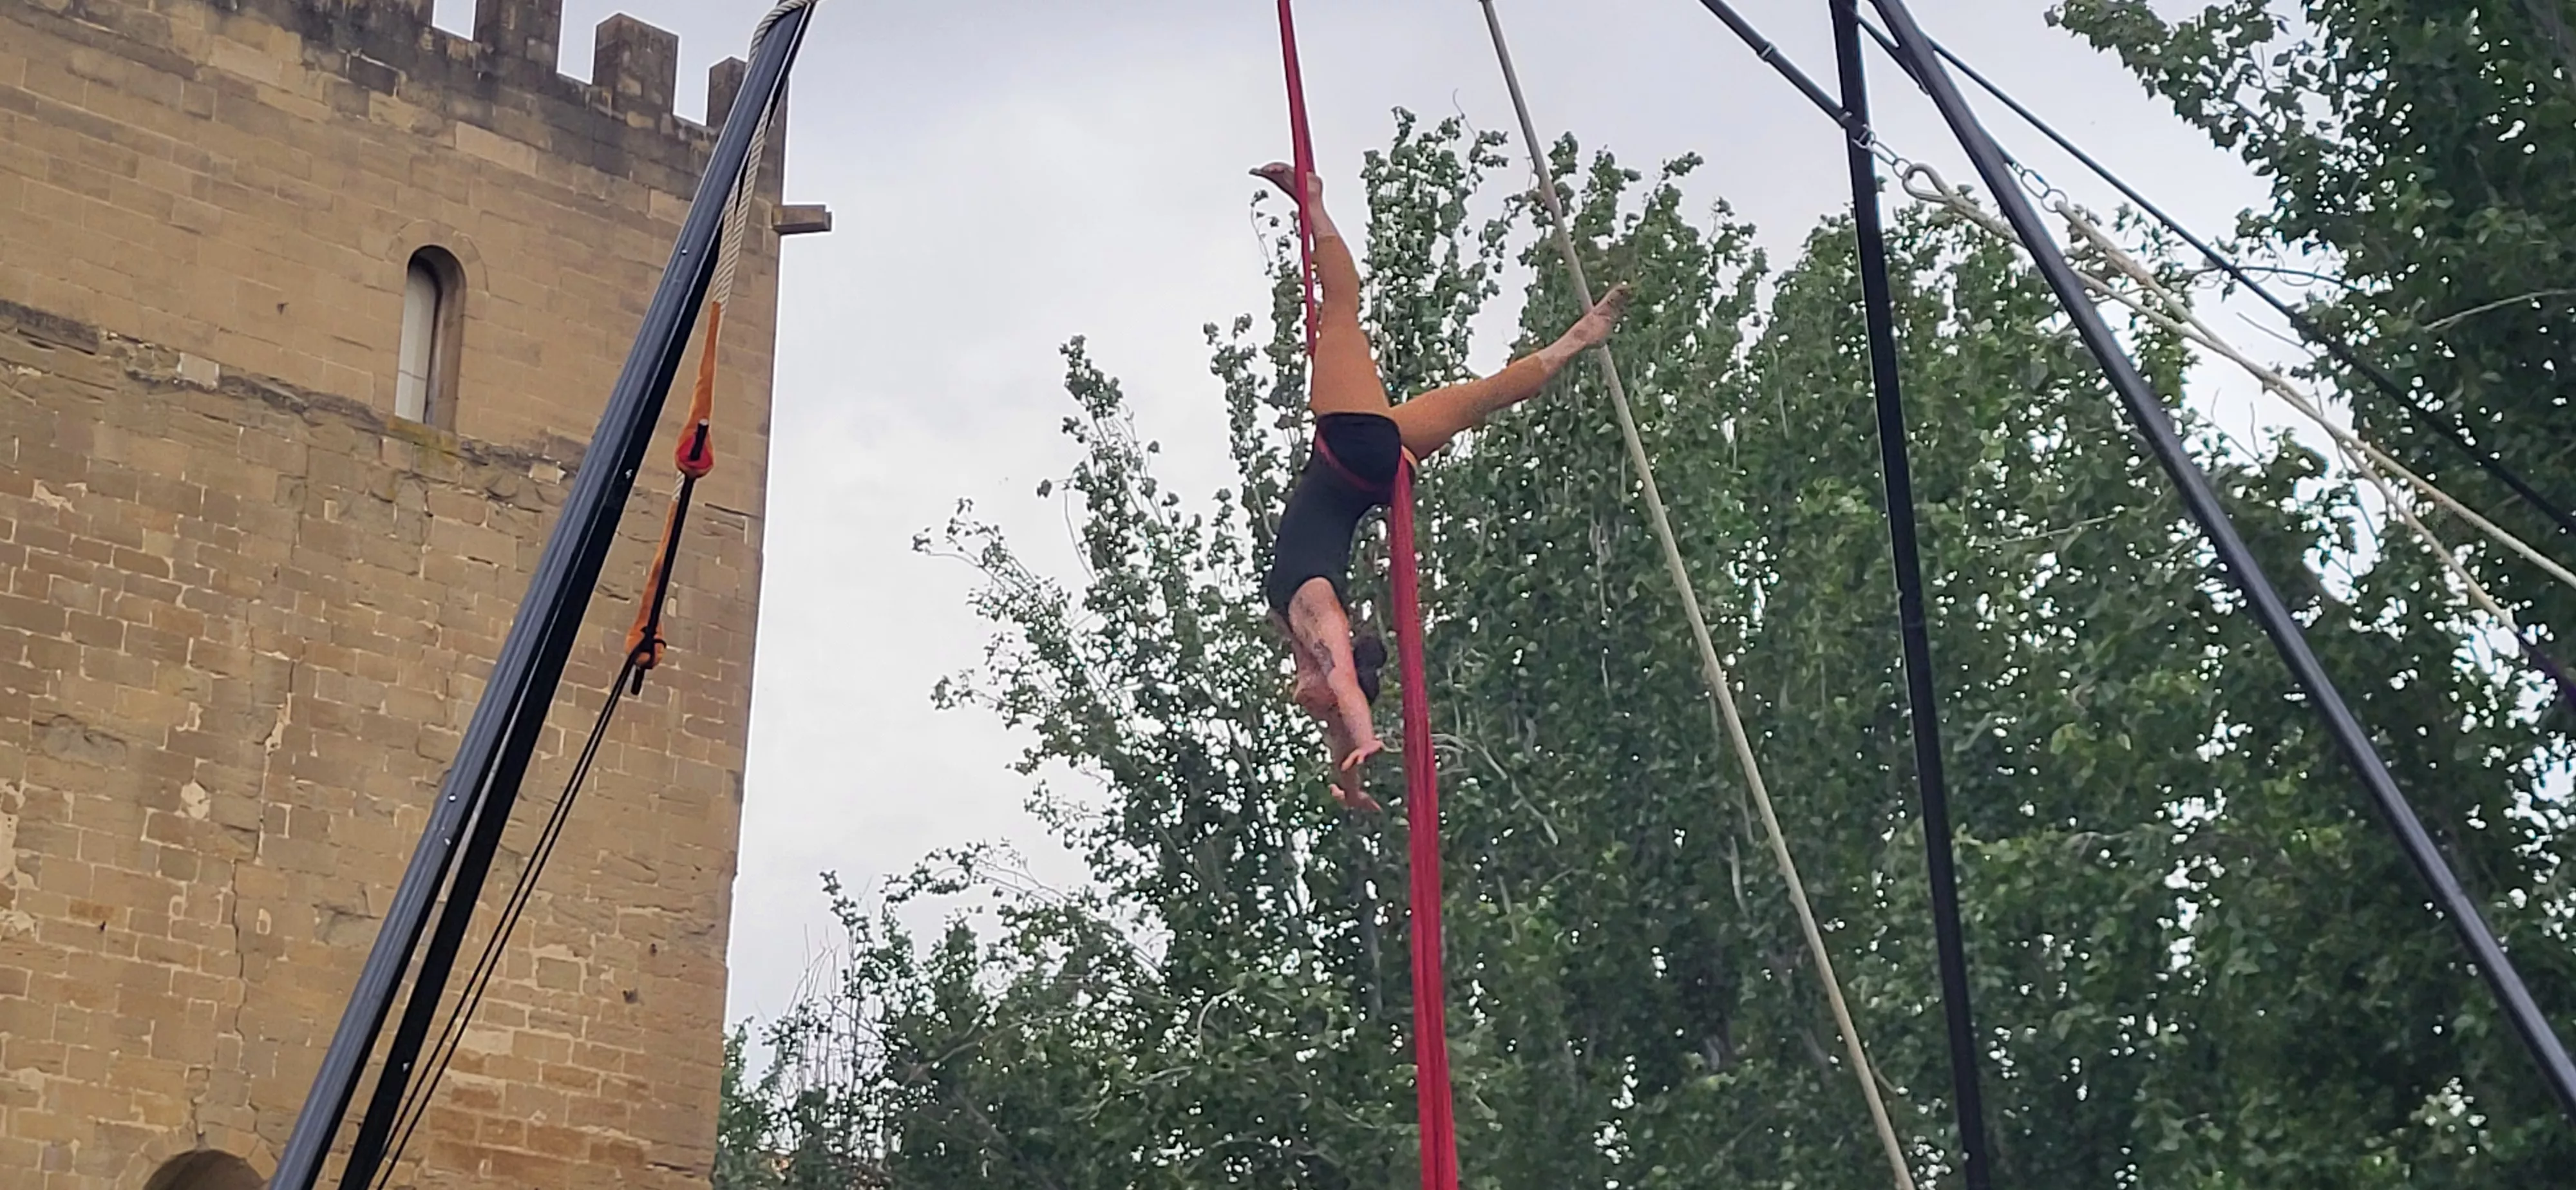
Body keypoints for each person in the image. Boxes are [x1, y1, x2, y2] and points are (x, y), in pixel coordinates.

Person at [1256, 161, 1634, 811]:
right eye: (1321, 711)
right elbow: (1343, 687)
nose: (1307, 707)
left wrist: (1348, 779)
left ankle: (1581, 337)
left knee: (1483, 398)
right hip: (1350, 442)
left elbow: (1337, 715)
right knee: (1340, 313)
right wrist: (1369, 739)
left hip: (1377, 467)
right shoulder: (1317, 618)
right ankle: (1314, 204)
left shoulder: (1308, 640)